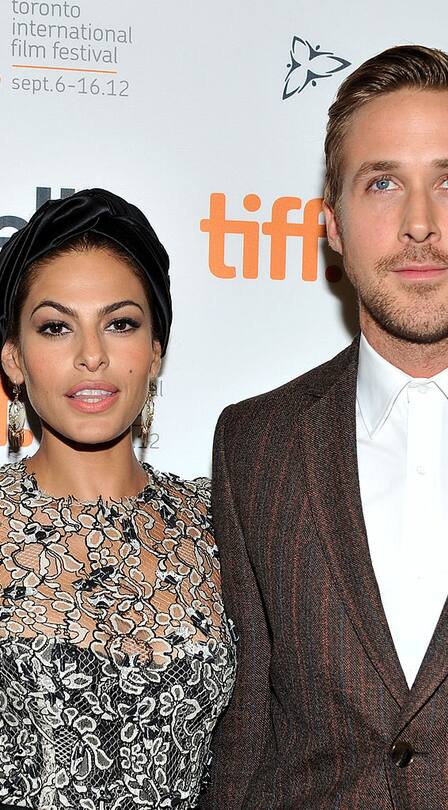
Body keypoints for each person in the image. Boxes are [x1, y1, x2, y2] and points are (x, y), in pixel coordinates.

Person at [202, 45, 448, 808]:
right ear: (332, 223)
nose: (418, 224)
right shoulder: (256, 446)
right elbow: (247, 742)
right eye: (381, 183)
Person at [0, 189, 236, 810]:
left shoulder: (223, 523)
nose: (91, 356)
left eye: (120, 323)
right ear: (14, 359)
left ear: (155, 350)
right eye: (56, 327)